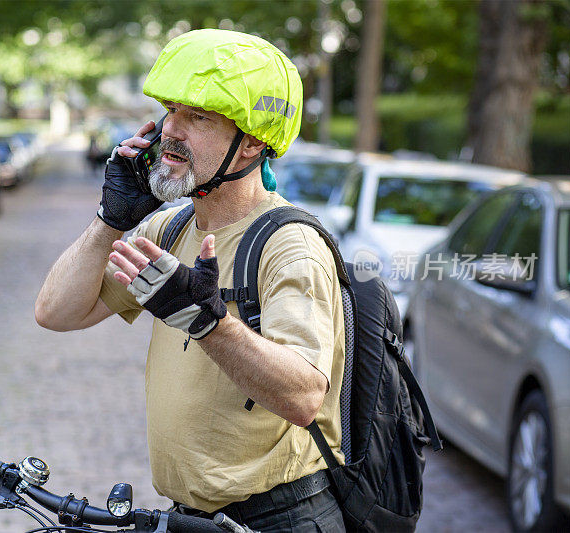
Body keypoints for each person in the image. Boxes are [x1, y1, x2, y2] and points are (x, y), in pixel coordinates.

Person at [35, 29, 346, 532]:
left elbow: (305, 397)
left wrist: (209, 324)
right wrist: (110, 219)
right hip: (192, 520)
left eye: (196, 117)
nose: (169, 130)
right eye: (171, 110)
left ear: (250, 144)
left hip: (278, 520)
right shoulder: (172, 226)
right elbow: (57, 313)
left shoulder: (289, 245)